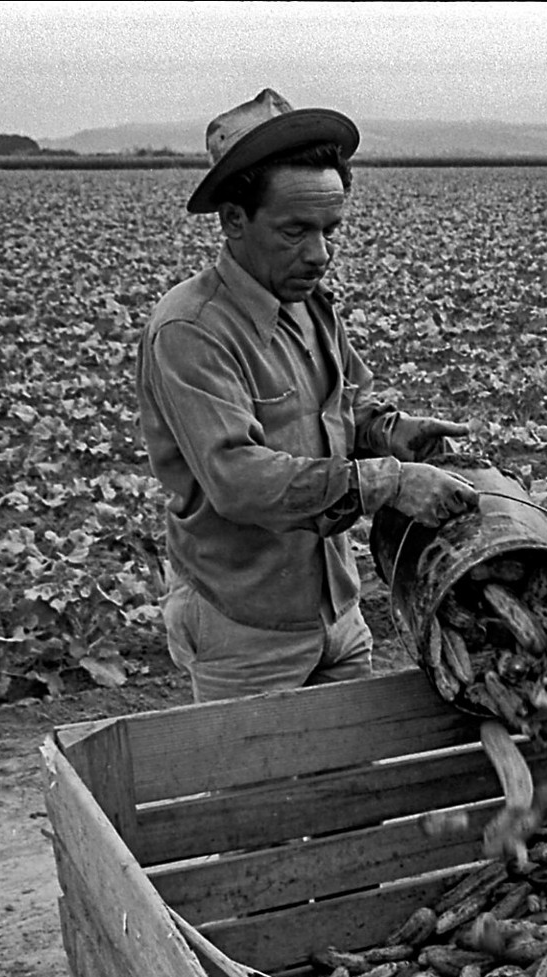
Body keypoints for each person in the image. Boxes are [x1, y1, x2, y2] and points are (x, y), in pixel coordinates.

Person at [138, 88, 480, 702]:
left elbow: (345, 401)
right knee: (259, 791)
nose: (320, 254)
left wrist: (391, 431)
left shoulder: (309, 305)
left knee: (350, 784)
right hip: (244, 624)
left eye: (331, 230)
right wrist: (392, 482)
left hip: (335, 606)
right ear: (234, 220)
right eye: (295, 230)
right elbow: (239, 481)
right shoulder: (191, 330)